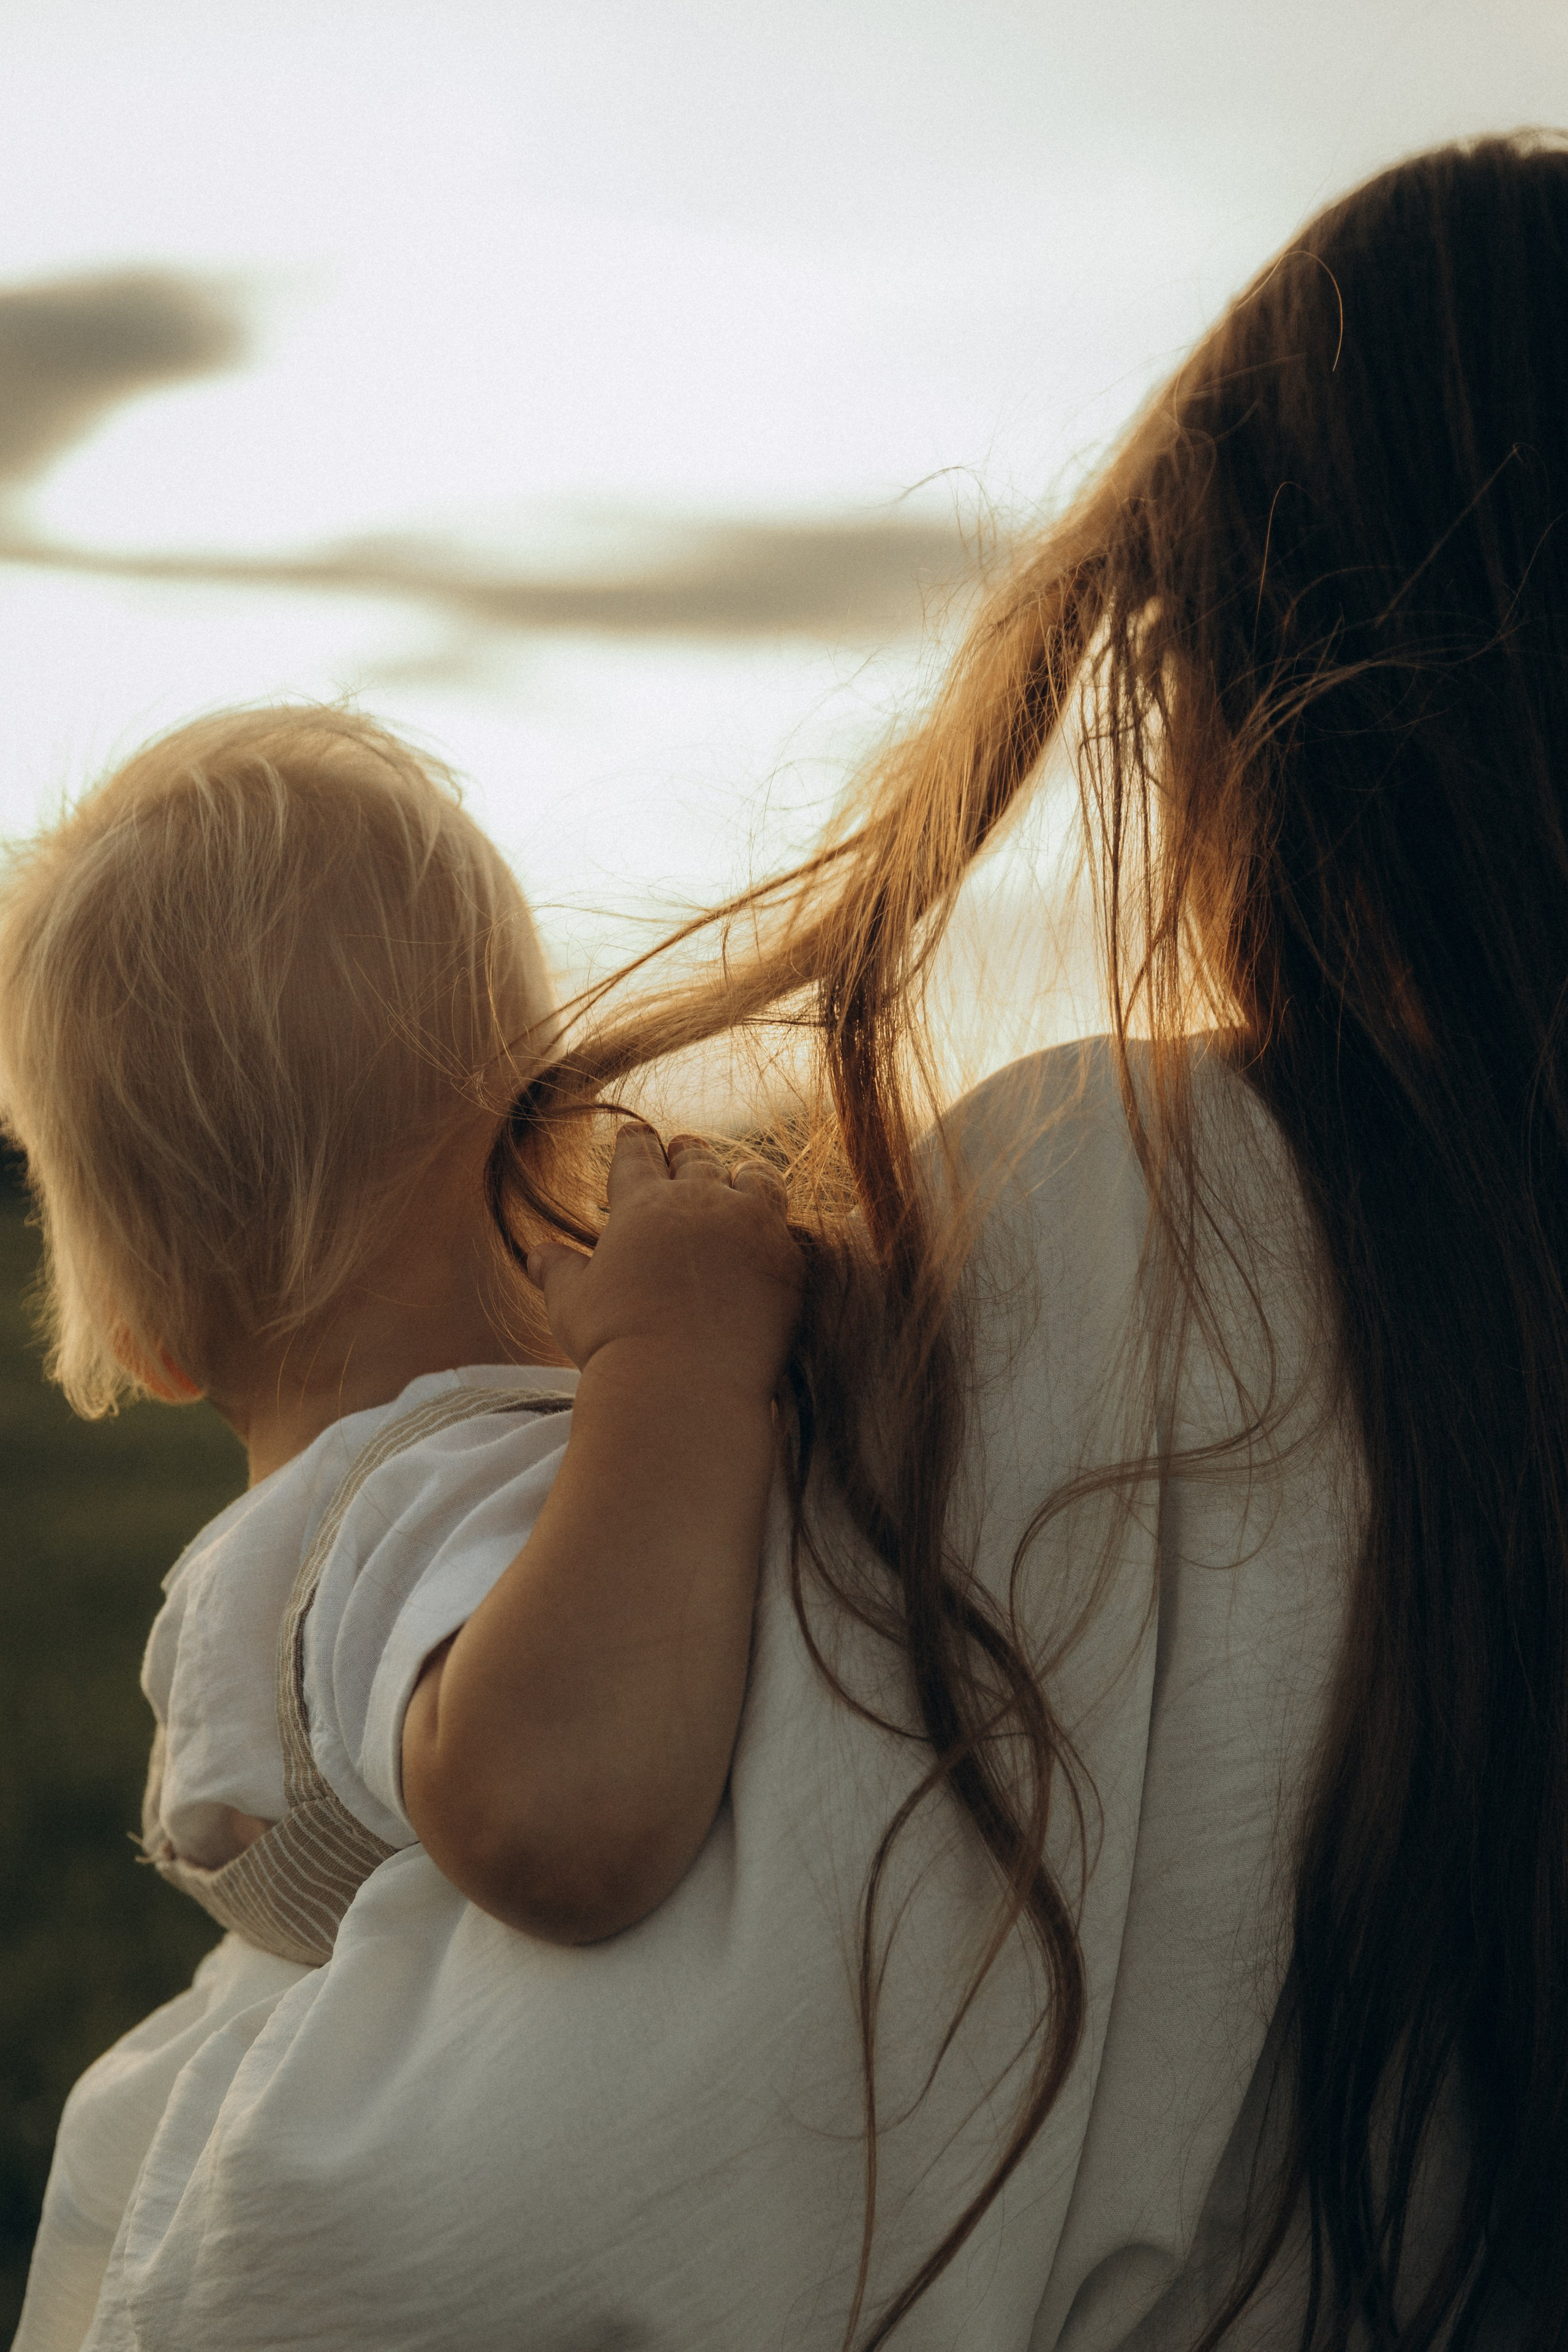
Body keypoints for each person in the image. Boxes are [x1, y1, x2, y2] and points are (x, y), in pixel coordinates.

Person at [8, 123, 1562, 2351]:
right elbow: (560, 1814)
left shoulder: (1161, 1232)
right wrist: (674, 1373)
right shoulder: (428, 1508)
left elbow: (505, 2120)